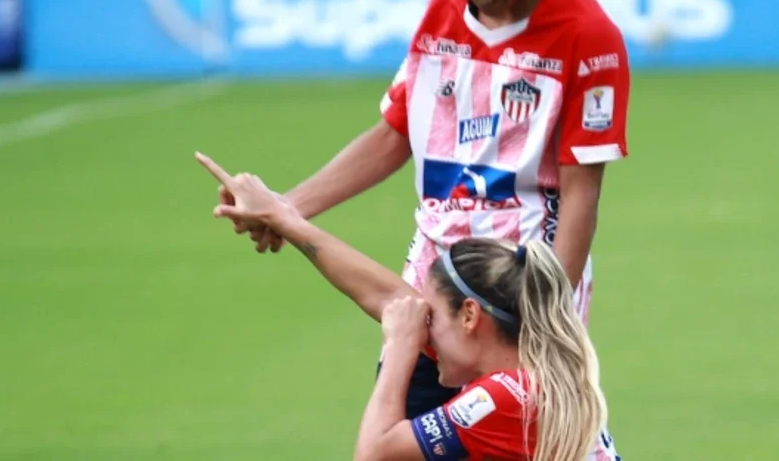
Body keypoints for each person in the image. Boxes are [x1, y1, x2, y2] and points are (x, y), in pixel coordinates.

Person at [228, 0, 631, 419]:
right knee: (395, 445)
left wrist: (546, 321)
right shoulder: (443, 12)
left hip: (519, 305)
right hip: (431, 298)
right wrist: (285, 208)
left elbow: (583, 193)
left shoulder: (586, 34)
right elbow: (396, 135)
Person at [197, 152, 623, 461]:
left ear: (471, 316)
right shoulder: (532, 369)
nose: (423, 326)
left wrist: (401, 345)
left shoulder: (504, 396)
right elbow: (388, 296)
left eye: (431, 318)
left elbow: (374, 455)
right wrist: (283, 217)